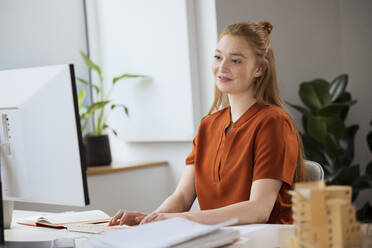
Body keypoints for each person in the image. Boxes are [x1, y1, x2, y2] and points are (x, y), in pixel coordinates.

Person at [109, 21, 306, 226]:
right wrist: (147, 219)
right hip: (219, 239)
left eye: (236, 61)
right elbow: (182, 198)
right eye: (218, 57)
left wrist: (179, 219)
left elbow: (259, 209)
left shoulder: (274, 123)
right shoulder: (207, 126)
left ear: (259, 69)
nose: (222, 67)